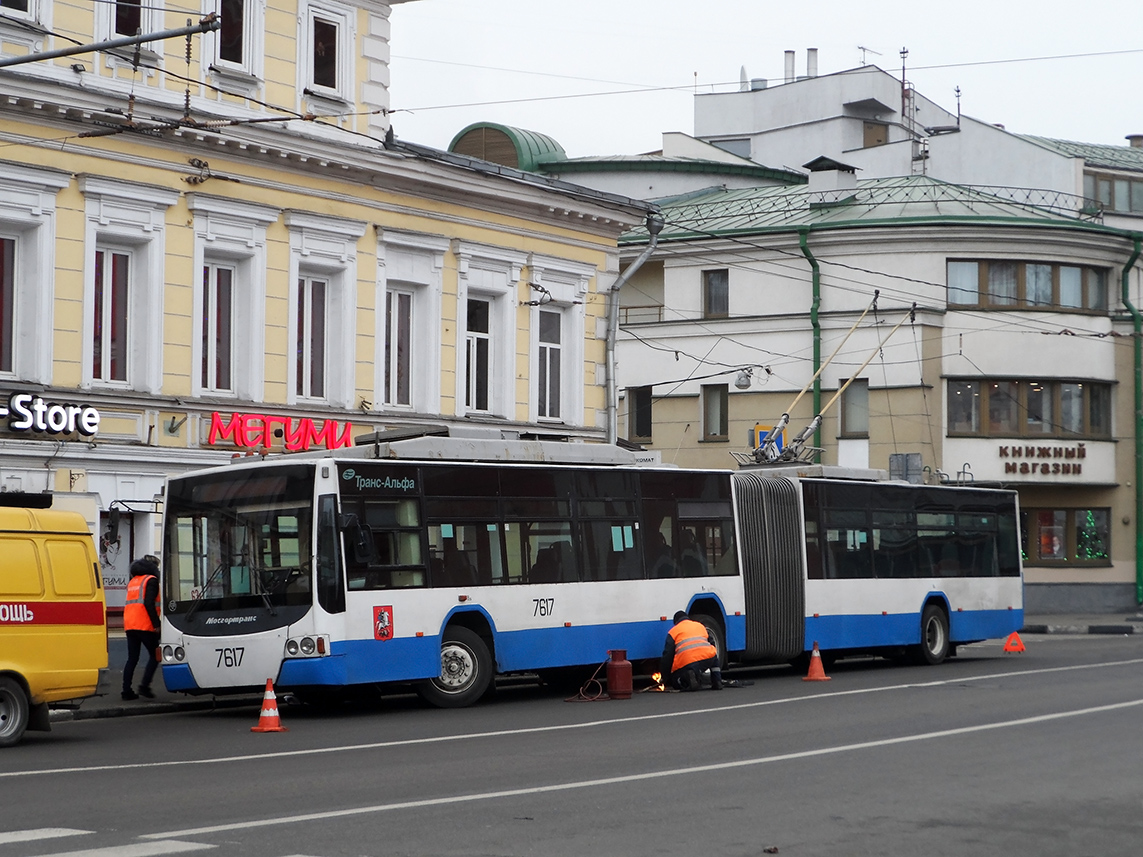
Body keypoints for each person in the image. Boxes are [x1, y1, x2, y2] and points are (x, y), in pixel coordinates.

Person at [122, 556, 161, 700]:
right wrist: (156, 624)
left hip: (130, 624)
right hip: (145, 624)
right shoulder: (151, 580)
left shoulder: (133, 581)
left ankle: (126, 691)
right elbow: (149, 603)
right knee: (155, 655)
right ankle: (144, 686)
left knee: (132, 659)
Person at [659, 610, 722, 691]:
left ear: (676, 622)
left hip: (688, 662)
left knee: (675, 681)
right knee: (713, 657)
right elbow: (712, 642)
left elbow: (667, 655)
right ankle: (717, 681)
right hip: (707, 658)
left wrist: (665, 677)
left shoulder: (673, 631)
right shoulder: (700, 625)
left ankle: (687, 677)